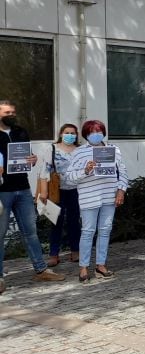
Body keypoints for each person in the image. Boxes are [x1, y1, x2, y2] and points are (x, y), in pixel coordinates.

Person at [0, 100, 60, 291]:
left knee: (31, 232)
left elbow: (27, 157)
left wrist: (32, 160)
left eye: (13, 112)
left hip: (23, 188)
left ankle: (41, 270)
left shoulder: (20, 131)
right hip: (1, 192)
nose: (12, 115)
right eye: (7, 112)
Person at [66, 120, 129, 282]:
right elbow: (69, 179)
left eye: (99, 130)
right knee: (87, 232)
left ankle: (101, 265)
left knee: (105, 230)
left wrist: (121, 191)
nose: (96, 134)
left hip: (109, 197)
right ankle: (83, 267)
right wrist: (85, 170)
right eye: (92, 131)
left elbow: (122, 172)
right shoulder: (78, 152)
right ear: (86, 134)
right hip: (89, 198)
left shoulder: (113, 149)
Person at [36, 123, 82, 268]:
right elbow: (44, 171)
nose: (70, 135)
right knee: (56, 221)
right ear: (61, 134)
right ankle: (54, 254)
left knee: (74, 222)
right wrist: (44, 192)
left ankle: (75, 251)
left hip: (76, 190)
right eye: (67, 132)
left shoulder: (80, 150)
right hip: (57, 191)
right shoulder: (52, 148)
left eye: (73, 133)